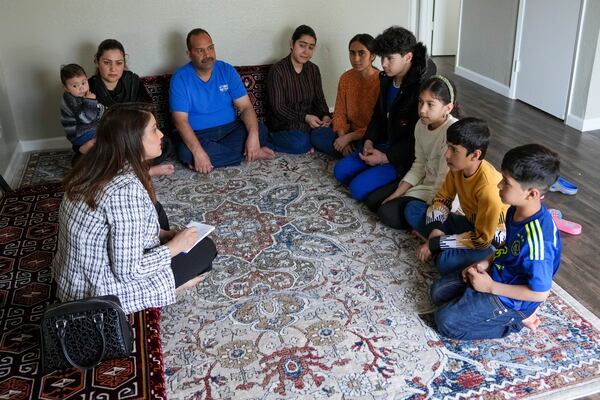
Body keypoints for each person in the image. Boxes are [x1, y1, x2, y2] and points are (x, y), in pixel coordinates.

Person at [53, 103, 217, 314]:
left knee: (156, 210)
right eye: (154, 129)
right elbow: (128, 272)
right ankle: (174, 287)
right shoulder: (124, 190)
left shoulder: (93, 164)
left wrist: (164, 234)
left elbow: (114, 227)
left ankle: (170, 254)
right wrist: (174, 246)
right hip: (98, 294)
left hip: (74, 279)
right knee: (205, 250)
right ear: (132, 139)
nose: (161, 134)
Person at [431, 144, 561, 339]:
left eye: (506, 183)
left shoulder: (538, 242)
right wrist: (485, 262)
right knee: (437, 293)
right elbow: (507, 248)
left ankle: (516, 321)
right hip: (499, 272)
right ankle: (479, 297)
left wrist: (490, 287)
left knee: (446, 323)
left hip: (512, 299)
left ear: (531, 193)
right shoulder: (514, 209)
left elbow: (540, 294)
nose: (499, 185)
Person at [334, 26, 435, 205]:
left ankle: (400, 183)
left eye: (390, 58)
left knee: (358, 189)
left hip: (403, 157)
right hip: (381, 143)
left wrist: (385, 157)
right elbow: (378, 116)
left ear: (408, 57)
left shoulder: (421, 89)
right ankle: (374, 173)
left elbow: (418, 139)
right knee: (340, 171)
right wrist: (369, 141)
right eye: (382, 58)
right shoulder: (386, 78)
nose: (384, 64)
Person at [406, 118, 509, 275]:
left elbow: (481, 239)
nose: (446, 154)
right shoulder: (457, 167)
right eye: (447, 147)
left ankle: (484, 260)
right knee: (412, 209)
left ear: (475, 155)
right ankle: (443, 243)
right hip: (470, 224)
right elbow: (442, 199)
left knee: (444, 263)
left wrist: (436, 243)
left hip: (489, 241)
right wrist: (436, 229)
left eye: (454, 150)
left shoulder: (489, 190)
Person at [170, 28, 275, 174]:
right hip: (199, 135)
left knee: (260, 130)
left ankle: (224, 154)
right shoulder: (180, 78)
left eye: (210, 48)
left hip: (230, 129)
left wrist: (252, 136)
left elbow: (245, 107)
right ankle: (249, 154)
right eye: (200, 50)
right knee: (185, 152)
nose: (208, 54)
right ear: (189, 54)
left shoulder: (227, 70)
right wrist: (198, 151)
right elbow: (180, 121)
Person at [377, 75, 459, 229]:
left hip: (444, 194)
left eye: (430, 104)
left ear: (448, 108)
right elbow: (419, 164)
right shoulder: (420, 126)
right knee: (375, 201)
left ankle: (439, 226)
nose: (422, 110)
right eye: (420, 102)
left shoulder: (452, 133)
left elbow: (444, 182)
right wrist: (396, 194)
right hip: (426, 184)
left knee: (387, 212)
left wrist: (433, 212)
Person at [89, 39, 174, 176]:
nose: (113, 69)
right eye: (107, 62)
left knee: (165, 145)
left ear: (124, 63)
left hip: (133, 138)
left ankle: (133, 169)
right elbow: (85, 122)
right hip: (108, 141)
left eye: (119, 63)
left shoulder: (133, 81)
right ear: (97, 62)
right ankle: (143, 170)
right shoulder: (88, 88)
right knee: (88, 157)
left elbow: (148, 110)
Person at [266, 25, 333, 154]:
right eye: (302, 45)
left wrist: (325, 115)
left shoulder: (314, 70)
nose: (306, 51)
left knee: (328, 138)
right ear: (292, 44)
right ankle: (267, 140)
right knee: (300, 143)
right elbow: (278, 108)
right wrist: (305, 117)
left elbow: (319, 99)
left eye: (311, 47)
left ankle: (311, 141)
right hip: (285, 124)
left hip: (310, 123)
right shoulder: (278, 70)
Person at [311, 33, 380, 156]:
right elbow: (339, 113)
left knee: (371, 147)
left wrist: (349, 138)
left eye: (361, 53)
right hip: (348, 131)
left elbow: (378, 125)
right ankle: (348, 152)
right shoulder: (346, 78)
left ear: (373, 55)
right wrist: (343, 138)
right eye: (352, 53)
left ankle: (352, 154)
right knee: (317, 135)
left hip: (370, 135)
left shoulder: (381, 81)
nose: (356, 59)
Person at [60, 64, 104, 161]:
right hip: (78, 133)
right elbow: (87, 119)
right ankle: (95, 159)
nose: (81, 88)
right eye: (75, 86)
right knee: (106, 137)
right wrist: (90, 101)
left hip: (85, 129)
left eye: (83, 83)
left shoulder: (80, 95)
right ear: (66, 88)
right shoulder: (71, 100)